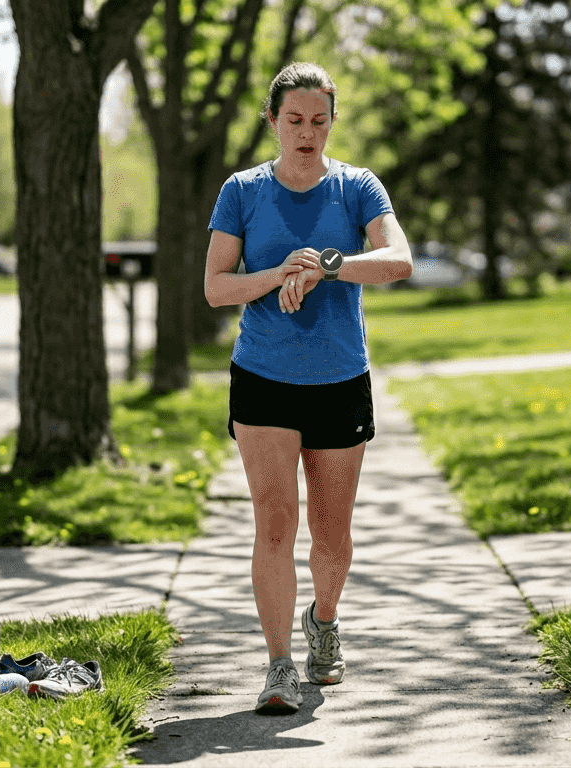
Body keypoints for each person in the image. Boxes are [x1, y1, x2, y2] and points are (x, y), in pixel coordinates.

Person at [202, 61, 413, 715]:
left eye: (318, 121)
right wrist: (278, 273)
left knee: (331, 537)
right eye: (294, 120)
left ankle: (323, 619)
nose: (306, 132)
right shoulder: (242, 191)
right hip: (263, 377)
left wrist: (328, 266)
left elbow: (400, 260)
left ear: (331, 122)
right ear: (272, 120)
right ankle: (279, 665)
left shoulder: (357, 187)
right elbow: (216, 287)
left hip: (339, 379)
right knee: (275, 525)